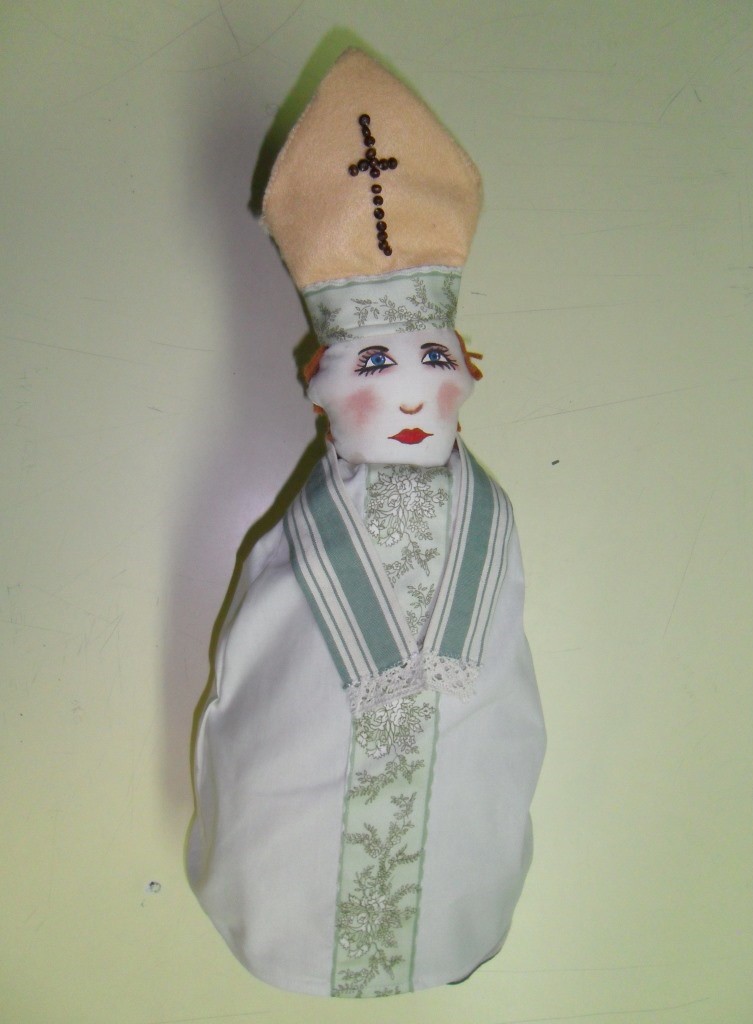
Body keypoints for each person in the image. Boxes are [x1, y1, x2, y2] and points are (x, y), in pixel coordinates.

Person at [187, 48, 545, 998]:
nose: (412, 394)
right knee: (284, 765)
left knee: (471, 779)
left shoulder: (487, 509)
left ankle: (450, 914)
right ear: (318, 387)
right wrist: (384, 661)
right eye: (375, 365)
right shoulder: (309, 523)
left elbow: (485, 613)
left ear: (465, 370)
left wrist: (436, 670)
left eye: (431, 360)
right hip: (310, 731)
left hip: (462, 737)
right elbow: (283, 624)